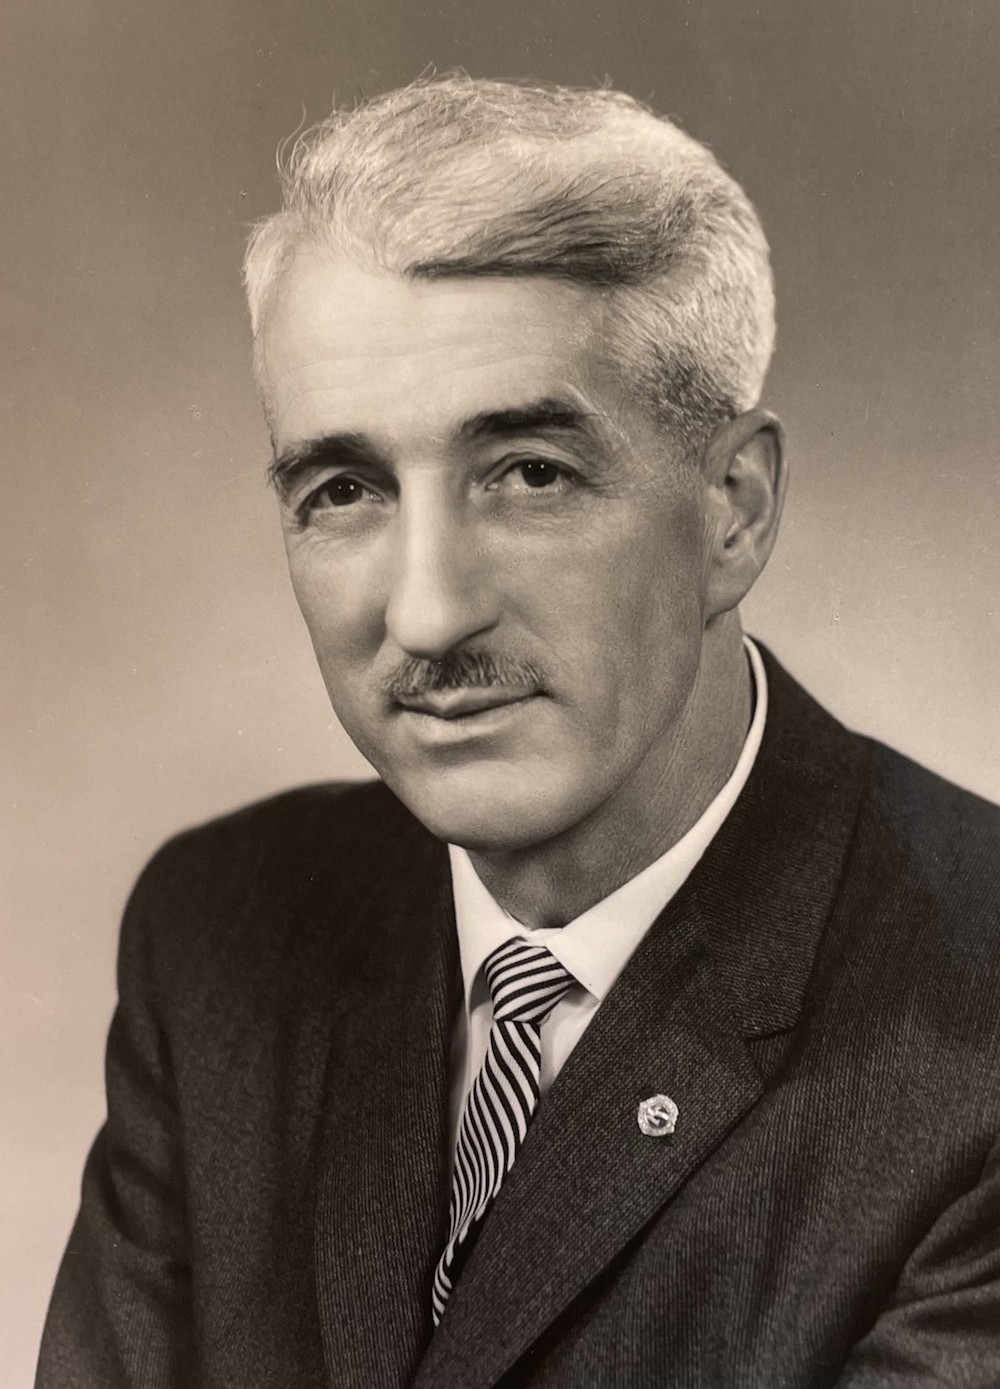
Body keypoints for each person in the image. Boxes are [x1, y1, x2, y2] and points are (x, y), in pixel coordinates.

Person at [38, 76, 1000, 1389]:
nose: (427, 613)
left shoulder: (976, 1021)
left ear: (735, 510)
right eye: (344, 488)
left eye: (531, 473)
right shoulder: (220, 942)